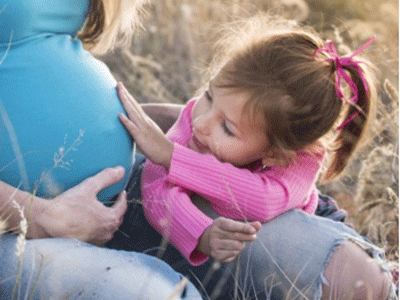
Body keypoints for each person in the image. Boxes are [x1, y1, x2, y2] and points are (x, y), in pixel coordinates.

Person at [109, 15, 397, 299]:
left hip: (298, 216)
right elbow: (155, 187)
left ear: (277, 154)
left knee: (356, 271)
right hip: (213, 235)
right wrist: (200, 233)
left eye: (227, 127)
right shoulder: (197, 120)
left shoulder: (300, 160)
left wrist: (173, 157)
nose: (202, 123)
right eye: (209, 96)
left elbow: (262, 199)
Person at [0, 0, 202, 299]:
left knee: (278, 242)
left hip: (118, 196)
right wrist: (43, 217)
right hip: (16, 228)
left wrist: (145, 120)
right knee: (161, 295)